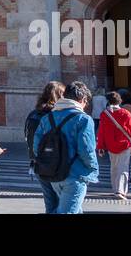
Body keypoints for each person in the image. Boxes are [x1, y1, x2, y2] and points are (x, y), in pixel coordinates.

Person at [32, 81, 97, 214]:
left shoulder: (47, 118)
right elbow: (86, 149)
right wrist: (92, 168)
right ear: (82, 100)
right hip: (75, 174)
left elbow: (36, 146)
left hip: (54, 174)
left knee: (74, 209)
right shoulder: (83, 119)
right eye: (86, 102)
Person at [95, 90, 131, 200]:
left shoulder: (104, 114)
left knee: (114, 167)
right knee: (123, 167)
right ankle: (121, 191)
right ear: (119, 101)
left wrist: (100, 146)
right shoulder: (125, 113)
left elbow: (101, 131)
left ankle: (115, 188)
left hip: (111, 145)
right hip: (124, 145)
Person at [23, 81, 64, 180]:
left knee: (48, 194)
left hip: (38, 161)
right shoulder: (57, 115)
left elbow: (26, 134)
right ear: (59, 95)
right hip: (56, 161)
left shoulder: (33, 114)